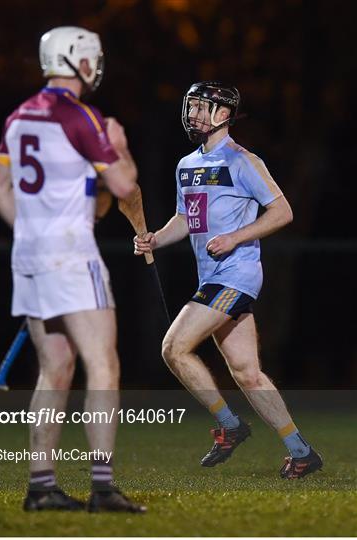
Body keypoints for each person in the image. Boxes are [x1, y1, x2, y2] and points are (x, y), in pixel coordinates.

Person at [0, 26, 146, 513]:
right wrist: (120, 144)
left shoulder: (18, 116)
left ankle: (41, 487)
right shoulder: (81, 115)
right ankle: (102, 488)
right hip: (72, 257)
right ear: (78, 60)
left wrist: (33, 232)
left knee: (55, 367)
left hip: (31, 256)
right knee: (103, 363)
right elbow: (121, 185)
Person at [134, 81, 323, 479]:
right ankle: (301, 452)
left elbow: (282, 211)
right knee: (246, 373)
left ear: (224, 114)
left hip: (235, 276)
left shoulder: (243, 161)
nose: (194, 114)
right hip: (214, 277)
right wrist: (155, 238)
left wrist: (236, 237)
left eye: (203, 108)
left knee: (174, 348)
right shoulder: (186, 164)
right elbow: (187, 220)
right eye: (192, 106)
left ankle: (231, 426)